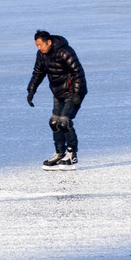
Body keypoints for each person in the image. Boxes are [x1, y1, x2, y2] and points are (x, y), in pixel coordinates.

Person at [27, 30, 87, 170]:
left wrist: (77, 94)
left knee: (64, 122)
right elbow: (38, 73)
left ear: (49, 42)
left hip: (73, 92)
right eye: (37, 45)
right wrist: (31, 90)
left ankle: (72, 155)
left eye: (41, 45)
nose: (39, 48)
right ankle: (60, 153)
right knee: (54, 122)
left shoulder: (65, 52)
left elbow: (78, 73)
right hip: (58, 93)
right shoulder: (41, 54)